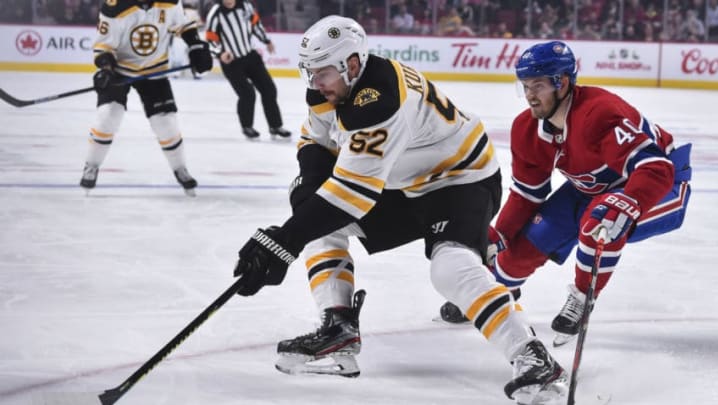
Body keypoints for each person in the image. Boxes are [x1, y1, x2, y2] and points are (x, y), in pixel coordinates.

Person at [230, 16, 568, 404]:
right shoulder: (331, 88)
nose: (315, 83)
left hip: (460, 180)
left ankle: (532, 356)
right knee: (315, 214)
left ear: (352, 64)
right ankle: (337, 328)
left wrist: (285, 240)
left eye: (322, 73)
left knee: (450, 269)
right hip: (404, 184)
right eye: (309, 73)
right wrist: (300, 209)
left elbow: (352, 193)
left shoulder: (381, 99)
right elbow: (315, 142)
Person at [439, 41, 692, 348]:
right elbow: (526, 195)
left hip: (660, 185)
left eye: (538, 85)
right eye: (525, 86)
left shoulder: (599, 113)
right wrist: (497, 236)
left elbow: (656, 167)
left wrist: (629, 201)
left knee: (601, 219)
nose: (530, 95)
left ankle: (583, 299)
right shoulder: (526, 129)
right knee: (523, 247)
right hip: (590, 189)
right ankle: (496, 290)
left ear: (563, 82)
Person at [81, 0, 213, 196]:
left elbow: (183, 25)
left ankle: (180, 168)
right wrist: (106, 70)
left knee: (166, 123)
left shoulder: (170, 2)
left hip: (154, 71)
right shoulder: (114, 6)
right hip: (119, 70)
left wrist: (195, 45)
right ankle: (91, 165)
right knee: (109, 115)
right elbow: (103, 47)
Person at [205, 0, 291, 140]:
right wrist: (220, 53)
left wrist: (266, 41)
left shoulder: (246, 6)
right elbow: (210, 40)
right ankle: (247, 127)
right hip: (231, 61)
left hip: (251, 56)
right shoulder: (216, 12)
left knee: (269, 89)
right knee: (247, 93)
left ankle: (275, 126)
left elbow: (256, 25)